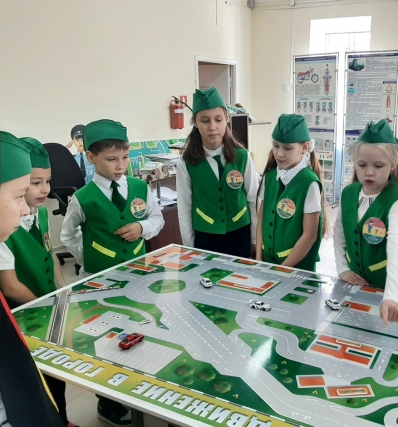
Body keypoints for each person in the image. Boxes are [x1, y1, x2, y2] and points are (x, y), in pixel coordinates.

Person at [61, 119, 164, 426]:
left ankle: (138, 388)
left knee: (139, 332)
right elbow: (68, 235)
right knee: (106, 342)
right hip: (98, 282)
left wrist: (142, 227)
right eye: (111, 159)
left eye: (124, 157)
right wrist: (89, 258)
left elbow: (157, 218)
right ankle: (108, 404)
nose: (120, 166)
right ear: (91, 158)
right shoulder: (83, 197)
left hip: (139, 276)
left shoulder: (140, 188)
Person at [0, 131, 66, 427]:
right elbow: (11, 287)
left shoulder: (38, 215)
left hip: (45, 310)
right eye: (21, 193)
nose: (27, 206)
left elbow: (50, 256)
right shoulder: (6, 239)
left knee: (52, 387)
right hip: (29, 317)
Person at [333, 120, 398, 324]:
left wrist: (394, 295)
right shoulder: (349, 192)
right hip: (356, 281)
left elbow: (397, 246)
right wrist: (342, 267)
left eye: (378, 166)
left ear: (392, 165)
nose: (369, 172)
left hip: (390, 284)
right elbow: (339, 232)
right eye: (362, 165)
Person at [176, 87, 258, 258]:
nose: (212, 127)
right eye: (205, 121)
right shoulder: (186, 162)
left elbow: (253, 199)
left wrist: (255, 239)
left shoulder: (242, 156)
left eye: (218, 120)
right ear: (195, 122)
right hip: (206, 236)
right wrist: (189, 247)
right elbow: (184, 207)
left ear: (226, 119)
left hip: (240, 234)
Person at [256, 114, 328, 271]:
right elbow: (261, 219)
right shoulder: (269, 177)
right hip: (267, 264)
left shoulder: (309, 183)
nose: (279, 154)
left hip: (297, 268)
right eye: (276, 146)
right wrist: (258, 258)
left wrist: (282, 269)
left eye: (287, 148)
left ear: (304, 147)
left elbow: (309, 236)